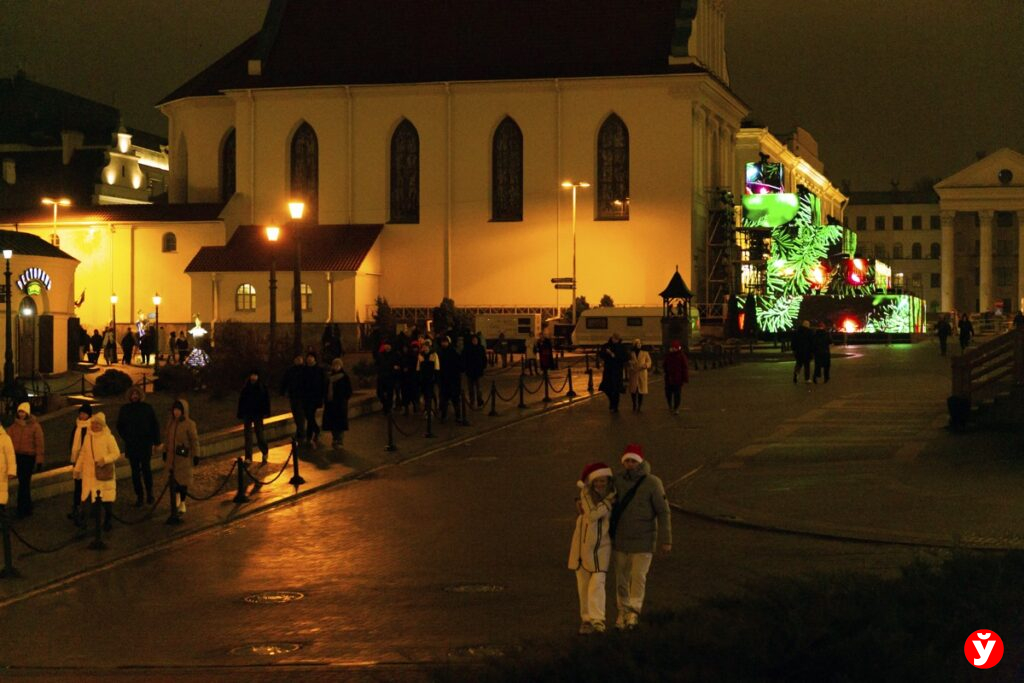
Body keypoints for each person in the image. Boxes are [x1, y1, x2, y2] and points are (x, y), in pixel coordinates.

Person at [611, 444, 671, 630]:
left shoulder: (653, 482)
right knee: (621, 578)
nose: (630, 464)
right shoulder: (617, 480)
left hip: (644, 540)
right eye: (627, 461)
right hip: (621, 539)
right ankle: (622, 610)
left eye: (633, 461)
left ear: (640, 462)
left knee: (638, 576)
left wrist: (666, 539)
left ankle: (634, 611)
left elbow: (663, 511)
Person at [568, 461, 616, 635]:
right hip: (581, 547)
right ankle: (586, 619)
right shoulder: (586, 494)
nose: (600, 484)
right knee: (583, 585)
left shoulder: (613, 494)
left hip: (602, 546)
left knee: (597, 582)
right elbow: (593, 514)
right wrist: (609, 503)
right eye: (597, 481)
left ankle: (597, 619)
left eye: (603, 480)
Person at [74, 412, 120, 531]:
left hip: (103, 474)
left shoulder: (109, 438)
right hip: (89, 474)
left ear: (102, 425)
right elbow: (83, 454)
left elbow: (116, 453)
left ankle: (107, 521)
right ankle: (84, 524)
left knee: (106, 500)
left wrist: (105, 460)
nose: (95, 426)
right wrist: (77, 469)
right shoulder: (88, 437)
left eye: (97, 424)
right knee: (86, 500)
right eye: (93, 423)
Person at [116, 386, 160, 506]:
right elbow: (120, 426)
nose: (134, 396)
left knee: (146, 470)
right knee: (135, 472)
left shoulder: (147, 408)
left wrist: (156, 442)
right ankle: (139, 495)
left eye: (136, 394)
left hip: (145, 444)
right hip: (132, 445)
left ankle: (149, 493)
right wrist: (126, 437)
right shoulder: (125, 409)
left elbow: (154, 425)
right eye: (132, 394)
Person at [160, 399, 200, 515]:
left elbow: (194, 441)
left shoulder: (189, 424)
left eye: (178, 410)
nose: (176, 412)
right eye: (175, 410)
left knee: (183, 481)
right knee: (173, 481)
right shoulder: (171, 423)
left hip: (183, 458)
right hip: (171, 458)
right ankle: (176, 499)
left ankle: (182, 502)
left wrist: (196, 455)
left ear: (183, 411)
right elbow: (167, 439)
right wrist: (164, 451)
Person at [9, 402, 44, 518]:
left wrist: (39, 459)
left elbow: (39, 443)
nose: (21, 414)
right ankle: (25, 506)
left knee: (24, 482)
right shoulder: (14, 427)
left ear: (27, 413)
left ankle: (23, 507)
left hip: (28, 457)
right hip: (18, 456)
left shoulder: (35, 426)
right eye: (19, 412)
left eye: (23, 412)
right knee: (23, 482)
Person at [238, 370, 271, 463]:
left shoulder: (261, 387)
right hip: (247, 414)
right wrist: (240, 413)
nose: (253, 377)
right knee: (248, 436)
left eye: (255, 375)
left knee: (260, 434)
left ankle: (264, 452)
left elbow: (266, 401)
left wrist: (266, 412)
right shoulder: (246, 388)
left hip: (258, 414)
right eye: (252, 375)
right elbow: (242, 401)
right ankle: (248, 457)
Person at [68, 403, 93, 520]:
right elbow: (72, 443)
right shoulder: (77, 426)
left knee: (86, 485)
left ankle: (86, 509)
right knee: (77, 485)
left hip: (87, 461)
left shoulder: (90, 427)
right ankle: (76, 508)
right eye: (81, 413)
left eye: (84, 413)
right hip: (76, 459)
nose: (82, 415)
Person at [322, 357, 353, 449]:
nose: (336, 367)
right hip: (331, 403)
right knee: (332, 422)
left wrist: (344, 398)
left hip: (340, 403)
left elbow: (349, 390)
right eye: (334, 365)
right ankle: (334, 438)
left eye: (338, 365)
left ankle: (339, 440)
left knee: (340, 422)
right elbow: (325, 389)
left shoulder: (344, 377)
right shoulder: (329, 377)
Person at [301, 352, 327, 447]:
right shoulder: (304, 370)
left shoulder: (319, 370)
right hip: (306, 397)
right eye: (308, 357)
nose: (309, 359)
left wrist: (322, 397)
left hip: (315, 397)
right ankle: (314, 432)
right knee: (309, 416)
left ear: (315, 359)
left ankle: (311, 434)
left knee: (310, 415)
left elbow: (323, 384)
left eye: (311, 357)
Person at [281, 354, 307, 445]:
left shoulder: (305, 370)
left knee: (300, 414)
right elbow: (285, 381)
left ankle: (301, 433)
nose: (298, 360)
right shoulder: (290, 370)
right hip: (293, 396)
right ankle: (300, 431)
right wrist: (283, 391)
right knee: (296, 414)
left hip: (302, 396)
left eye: (300, 359)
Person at [598, 334, 626, 413]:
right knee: (607, 388)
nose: (615, 340)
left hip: (617, 371)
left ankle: (615, 406)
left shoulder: (622, 347)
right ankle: (612, 401)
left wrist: (613, 355)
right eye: (614, 338)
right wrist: (606, 354)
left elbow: (624, 357)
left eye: (617, 339)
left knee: (616, 389)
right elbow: (601, 354)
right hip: (608, 370)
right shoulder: (606, 346)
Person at [437, 336, 463, 422]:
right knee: (444, 399)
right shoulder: (440, 353)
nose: (444, 344)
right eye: (442, 342)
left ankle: (458, 415)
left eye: (445, 342)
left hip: (453, 380)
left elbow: (458, 365)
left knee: (455, 399)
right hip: (444, 380)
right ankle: (444, 416)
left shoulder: (453, 352)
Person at [662, 340, 689, 414]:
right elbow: (664, 365)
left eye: (674, 347)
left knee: (677, 394)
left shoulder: (681, 356)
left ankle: (676, 407)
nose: (673, 349)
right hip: (669, 378)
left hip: (677, 379)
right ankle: (670, 406)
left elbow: (684, 367)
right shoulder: (669, 356)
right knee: (668, 393)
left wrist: (685, 377)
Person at [462, 334, 487, 408]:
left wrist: (483, 366)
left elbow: (484, 358)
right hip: (470, 371)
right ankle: (472, 401)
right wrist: (465, 368)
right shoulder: (467, 348)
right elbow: (464, 359)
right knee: (471, 388)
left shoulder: (480, 348)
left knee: (479, 388)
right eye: (473, 340)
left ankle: (479, 401)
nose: (474, 341)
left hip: (478, 371)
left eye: (476, 340)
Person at [626, 339, 652, 412]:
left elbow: (649, 361)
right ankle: (634, 404)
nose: (639, 344)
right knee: (633, 390)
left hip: (642, 372)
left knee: (641, 391)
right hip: (633, 372)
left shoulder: (645, 353)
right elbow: (628, 361)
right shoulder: (632, 353)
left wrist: (646, 365)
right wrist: (630, 363)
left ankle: (639, 406)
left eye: (640, 343)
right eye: (637, 343)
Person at [375, 341, 400, 415]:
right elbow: (377, 364)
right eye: (386, 345)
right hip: (382, 376)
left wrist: (395, 368)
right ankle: (385, 405)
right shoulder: (380, 355)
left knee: (389, 393)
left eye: (388, 345)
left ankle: (388, 408)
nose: (387, 347)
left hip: (390, 376)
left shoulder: (395, 355)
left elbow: (397, 364)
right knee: (380, 393)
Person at [417, 340, 440, 413]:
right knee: (425, 393)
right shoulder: (420, 355)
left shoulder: (433, 354)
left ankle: (434, 406)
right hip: (423, 377)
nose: (425, 348)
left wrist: (435, 376)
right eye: (424, 347)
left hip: (431, 376)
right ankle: (427, 408)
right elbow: (418, 367)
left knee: (431, 392)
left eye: (426, 347)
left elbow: (437, 366)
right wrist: (419, 375)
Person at [400, 341, 421, 414]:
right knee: (405, 394)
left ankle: (415, 405)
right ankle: (406, 408)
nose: (404, 349)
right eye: (403, 348)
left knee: (412, 393)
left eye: (406, 348)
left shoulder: (412, 356)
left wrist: (408, 368)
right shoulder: (401, 356)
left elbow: (415, 366)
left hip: (411, 377)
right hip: (404, 378)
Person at [0, 422, 14, 516]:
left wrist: (11, 471)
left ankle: (4, 527)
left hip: (1, 473)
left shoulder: (5, 438)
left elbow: (10, 456)